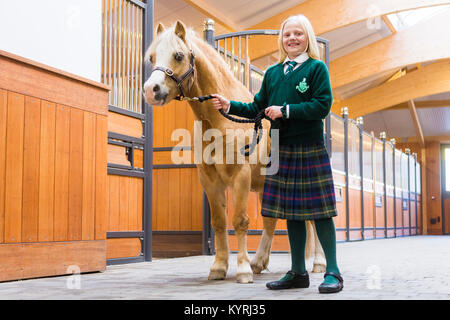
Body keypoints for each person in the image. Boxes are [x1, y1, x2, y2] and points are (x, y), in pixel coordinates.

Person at [211, 14, 343, 294]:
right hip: (281, 148)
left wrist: (286, 111)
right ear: (281, 40)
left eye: (298, 33)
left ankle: (333, 271)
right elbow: (256, 106)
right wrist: (228, 105)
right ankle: (298, 272)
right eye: (287, 34)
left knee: (320, 213)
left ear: (307, 37)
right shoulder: (272, 73)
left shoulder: (317, 69)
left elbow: (322, 105)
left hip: (309, 147)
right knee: (291, 213)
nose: (292, 38)